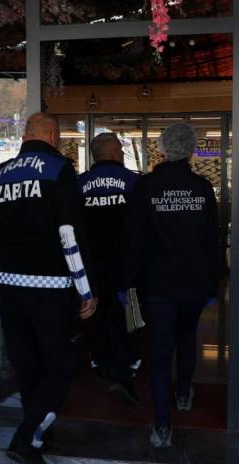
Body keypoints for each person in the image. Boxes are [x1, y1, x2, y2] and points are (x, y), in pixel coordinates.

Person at [0, 113, 98, 464]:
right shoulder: (57, 170)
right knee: (61, 365)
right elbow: (69, 234)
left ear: (26, 135)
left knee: (27, 365)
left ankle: (37, 434)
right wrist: (86, 288)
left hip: (8, 285)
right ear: (51, 135)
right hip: (49, 287)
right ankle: (26, 438)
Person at [125, 122, 221, 448]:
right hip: (194, 281)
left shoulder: (146, 186)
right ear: (191, 149)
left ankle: (162, 425)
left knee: (160, 348)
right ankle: (182, 394)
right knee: (187, 336)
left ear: (163, 149)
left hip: (157, 283)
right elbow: (212, 241)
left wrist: (128, 281)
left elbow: (134, 240)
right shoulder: (202, 188)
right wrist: (213, 284)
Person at [77, 133, 141, 405]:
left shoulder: (78, 184)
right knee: (128, 316)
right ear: (114, 152)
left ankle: (99, 362)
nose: (123, 154)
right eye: (121, 150)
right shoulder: (134, 182)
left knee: (95, 315)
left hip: (90, 265)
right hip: (126, 265)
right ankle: (125, 366)